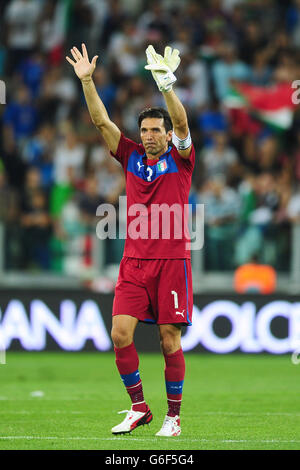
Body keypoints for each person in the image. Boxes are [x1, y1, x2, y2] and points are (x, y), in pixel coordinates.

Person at [66, 43, 195, 437]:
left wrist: (166, 86)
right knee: (120, 334)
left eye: (156, 130)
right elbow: (101, 120)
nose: (150, 135)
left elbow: (184, 125)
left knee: (168, 338)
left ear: (167, 134)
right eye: (145, 130)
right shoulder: (130, 156)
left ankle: (173, 417)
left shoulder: (182, 157)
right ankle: (139, 408)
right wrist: (88, 80)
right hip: (134, 263)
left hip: (172, 262)